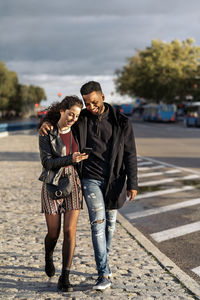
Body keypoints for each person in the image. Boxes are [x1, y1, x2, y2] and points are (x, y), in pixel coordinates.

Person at [39, 81, 138, 291]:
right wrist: (45, 122)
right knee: (97, 224)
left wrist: (133, 183)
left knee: (109, 225)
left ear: (102, 96)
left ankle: (105, 263)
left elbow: (130, 153)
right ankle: (102, 273)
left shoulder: (121, 121)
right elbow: (62, 117)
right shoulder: (82, 118)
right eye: (87, 103)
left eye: (93, 102)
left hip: (115, 180)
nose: (90, 107)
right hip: (89, 179)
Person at [38, 95, 88, 292]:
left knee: (69, 231)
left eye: (76, 116)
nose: (72, 119)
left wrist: (74, 161)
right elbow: (47, 163)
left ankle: (65, 276)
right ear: (61, 111)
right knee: (53, 232)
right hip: (52, 182)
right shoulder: (47, 132)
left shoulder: (78, 129)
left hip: (73, 182)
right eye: (70, 114)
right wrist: (70, 158)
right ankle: (49, 255)